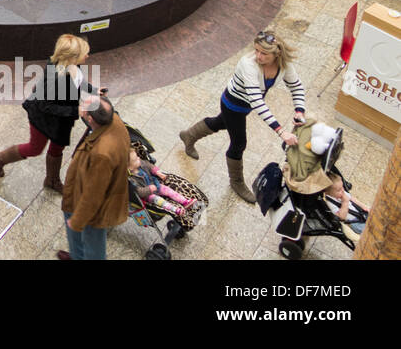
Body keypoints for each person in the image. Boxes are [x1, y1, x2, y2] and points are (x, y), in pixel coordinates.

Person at [178, 31, 305, 203]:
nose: (258, 56)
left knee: (219, 123)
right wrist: (281, 132)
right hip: (233, 105)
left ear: (277, 53)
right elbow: (256, 101)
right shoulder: (248, 63)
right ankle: (236, 182)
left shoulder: (284, 65)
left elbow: (296, 86)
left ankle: (189, 135)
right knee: (238, 143)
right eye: (256, 50)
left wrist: (299, 110)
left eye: (264, 53)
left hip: (245, 107)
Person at [0, 34, 95, 191]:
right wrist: (76, 110)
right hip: (43, 118)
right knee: (35, 148)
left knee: (58, 146)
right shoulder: (55, 78)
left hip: (62, 119)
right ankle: (0, 158)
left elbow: (79, 81)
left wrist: (94, 90)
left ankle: (52, 180)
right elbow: (45, 105)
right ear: (72, 57)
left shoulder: (74, 66)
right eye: (84, 53)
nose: (88, 55)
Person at [57, 92, 130, 260]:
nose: (81, 106)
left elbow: (93, 195)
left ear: (90, 119)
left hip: (93, 209)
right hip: (85, 194)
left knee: (93, 245)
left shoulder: (102, 154)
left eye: (84, 107)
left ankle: (80, 255)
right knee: (80, 239)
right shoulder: (113, 120)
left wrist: (77, 221)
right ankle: (77, 255)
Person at [128, 147, 197, 217]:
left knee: (168, 190)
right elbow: (138, 192)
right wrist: (149, 189)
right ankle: (175, 210)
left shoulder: (141, 163)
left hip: (155, 183)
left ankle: (185, 201)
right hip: (148, 195)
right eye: (136, 159)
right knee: (159, 201)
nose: (139, 158)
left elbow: (149, 166)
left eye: (137, 156)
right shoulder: (132, 179)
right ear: (129, 167)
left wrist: (157, 172)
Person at [324, 173, 369, 242]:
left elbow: (352, 199)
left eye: (342, 187)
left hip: (360, 213)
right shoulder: (330, 203)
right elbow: (341, 217)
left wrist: (363, 206)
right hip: (354, 223)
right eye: (338, 190)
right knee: (367, 230)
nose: (342, 190)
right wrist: (345, 202)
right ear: (327, 193)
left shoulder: (342, 192)